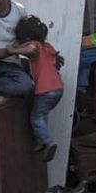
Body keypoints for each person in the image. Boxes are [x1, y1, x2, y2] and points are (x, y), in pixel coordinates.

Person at [14, 14, 64, 162]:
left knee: (35, 117)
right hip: (58, 89)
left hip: (45, 90)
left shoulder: (34, 45)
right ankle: (40, 140)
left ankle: (48, 142)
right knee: (43, 114)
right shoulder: (48, 47)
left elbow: (29, 50)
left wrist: (12, 50)